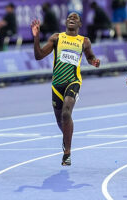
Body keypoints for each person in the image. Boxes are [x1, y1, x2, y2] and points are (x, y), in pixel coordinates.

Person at [31, 12, 100, 166]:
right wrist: (36, 37)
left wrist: (94, 61)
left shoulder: (84, 41)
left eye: (75, 18)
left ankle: (67, 153)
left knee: (66, 113)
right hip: (57, 85)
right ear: (65, 22)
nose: (71, 19)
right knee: (59, 119)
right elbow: (39, 55)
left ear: (80, 24)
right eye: (69, 17)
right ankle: (66, 138)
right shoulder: (57, 38)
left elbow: (90, 57)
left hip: (73, 81)